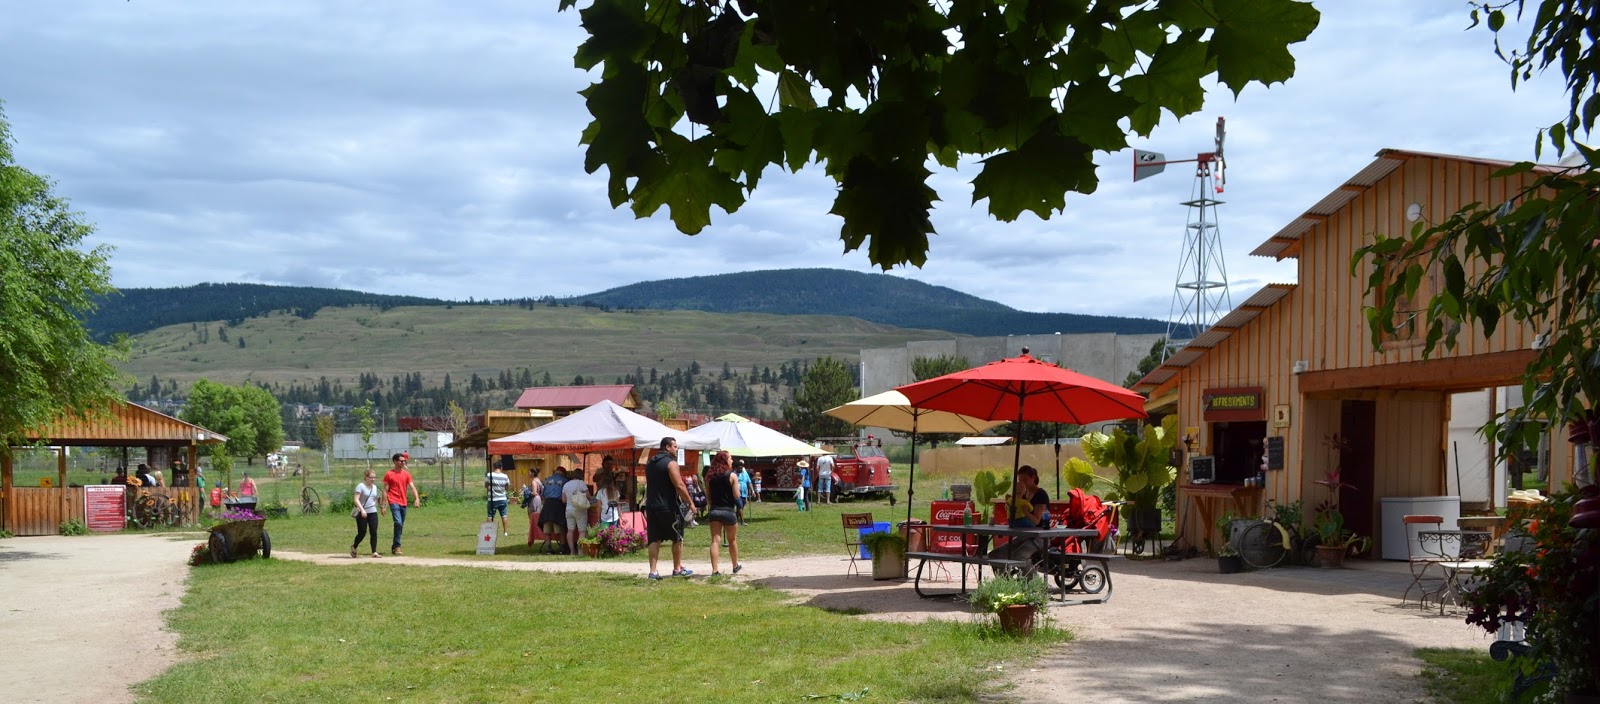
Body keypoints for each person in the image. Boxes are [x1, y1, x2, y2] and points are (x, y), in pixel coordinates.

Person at [643, 437, 694, 580]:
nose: (676, 449)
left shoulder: (650, 463)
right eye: (675, 447)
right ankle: (677, 568)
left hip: (651, 506)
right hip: (668, 506)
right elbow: (679, 485)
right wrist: (690, 502)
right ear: (667, 447)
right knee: (677, 537)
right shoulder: (671, 463)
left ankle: (653, 572)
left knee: (654, 538)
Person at [989, 465, 1052, 564]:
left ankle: (1032, 579)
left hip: (1039, 537)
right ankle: (1005, 579)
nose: (1022, 483)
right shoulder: (1022, 496)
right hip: (1024, 535)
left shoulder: (1041, 494)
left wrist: (1026, 513)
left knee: (1019, 556)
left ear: (1033, 478)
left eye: (1025, 480)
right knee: (995, 555)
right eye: (1020, 480)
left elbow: (1036, 521)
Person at [705, 450, 743, 576]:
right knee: (732, 540)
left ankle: (715, 570)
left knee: (715, 540)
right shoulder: (732, 476)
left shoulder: (709, 477)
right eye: (730, 458)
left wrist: (713, 506)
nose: (732, 461)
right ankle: (735, 565)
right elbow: (737, 495)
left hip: (715, 511)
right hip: (728, 511)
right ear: (725, 460)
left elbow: (708, 497)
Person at [382, 453, 421, 555]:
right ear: (395, 462)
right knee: (398, 522)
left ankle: (395, 546)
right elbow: (385, 490)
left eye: (404, 461)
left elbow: (412, 487)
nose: (404, 462)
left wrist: (417, 498)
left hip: (403, 502)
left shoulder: (406, 474)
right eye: (401, 461)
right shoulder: (389, 474)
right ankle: (398, 546)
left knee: (400, 525)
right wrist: (383, 505)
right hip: (393, 500)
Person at [352, 469, 383, 558]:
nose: (373, 479)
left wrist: (379, 504)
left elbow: (374, 499)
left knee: (374, 531)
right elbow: (356, 499)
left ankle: (374, 552)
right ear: (366, 477)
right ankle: (354, 547)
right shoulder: (360, 486)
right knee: (362, 532)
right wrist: (362, 510)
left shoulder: (375, 487)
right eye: (371, 477)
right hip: (362, 512)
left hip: (373, 512)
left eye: (374, 477)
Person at [539, 466, 568, 554]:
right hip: (558, 504)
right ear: (563, 473)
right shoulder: (565, 481)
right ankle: (562, 549)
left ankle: (549, 549)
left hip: (547, 504)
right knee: (561, 527)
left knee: (547, 528)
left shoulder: (547, 480)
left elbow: (542, 495)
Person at [563, 467, 592, 555]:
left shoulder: (566, 485)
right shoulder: (581, 483)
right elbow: (588, 496)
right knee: (582, 531)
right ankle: (580, 551)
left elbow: (563, 500)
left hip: (568, 510)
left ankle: (572, 551)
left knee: (570, 531)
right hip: (580, 509)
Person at [485, 460, 511, 537]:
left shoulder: (489, 475)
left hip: (493, 499)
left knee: (490, 516)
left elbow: (486, 485)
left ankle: (488, 532)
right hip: (503, 498)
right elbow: (506, 487)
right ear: (501, 467)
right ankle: (505, 532)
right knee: (504, 515)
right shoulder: (505, 476)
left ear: (494, 467)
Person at [735, 459, 752, 526]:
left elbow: (749, 482)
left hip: (744, 493)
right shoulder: (734, 474)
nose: (740, 469)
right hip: (737, 493)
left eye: (741, 468)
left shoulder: (745, 473)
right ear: (736, 468)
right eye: (739, 468)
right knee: (739, 506)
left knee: (740, 507)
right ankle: (742, 521)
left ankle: (735, 520)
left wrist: (752, 491)